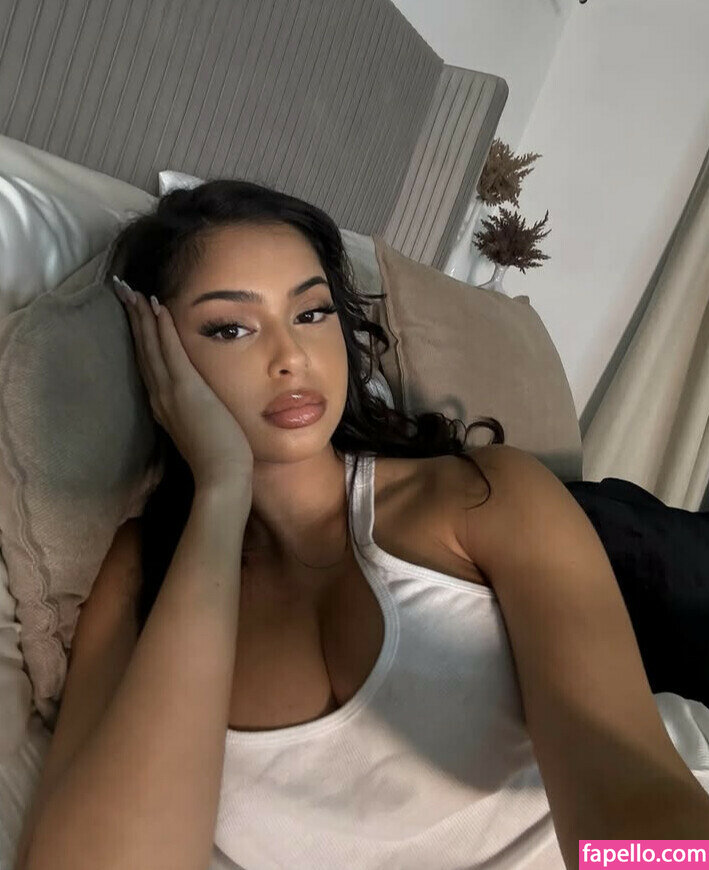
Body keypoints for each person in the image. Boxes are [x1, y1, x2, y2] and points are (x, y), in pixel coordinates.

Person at [17, 181, 709, 870]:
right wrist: (221, 492)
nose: (291, 356)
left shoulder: (482, 495)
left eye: (311, 312)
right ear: (159, 359)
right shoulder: (143, 574)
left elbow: (626, 784)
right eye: (231, 328)